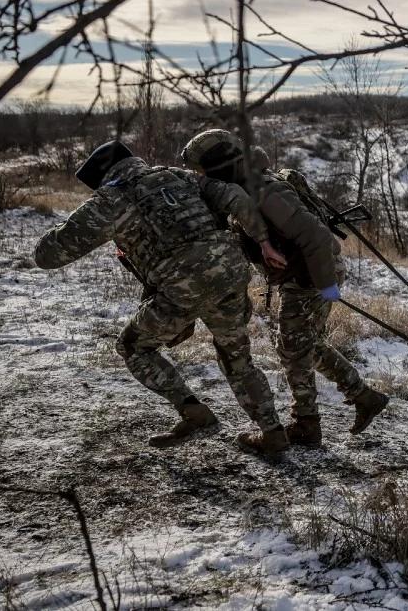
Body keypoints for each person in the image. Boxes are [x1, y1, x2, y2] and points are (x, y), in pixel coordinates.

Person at [33, 141, 291, 455]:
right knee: (237, 357)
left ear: (100, 179)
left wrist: (74, 219)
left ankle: (194, 414)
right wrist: (262, 240)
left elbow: (47, 255)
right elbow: (232, 196)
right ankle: (273, 431)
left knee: (133, 346)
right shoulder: (179, 176)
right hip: (230, 272)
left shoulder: (109, 201)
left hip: (182, 285)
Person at [180, 130, 389, 447]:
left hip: (309, 276)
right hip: (306, 274)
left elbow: (317, 238)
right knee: (306, 345)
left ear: (218, 164)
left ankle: (307, 425)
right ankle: (363, 397)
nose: (202, 177)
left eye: (202, 170)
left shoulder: (265, 191)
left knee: (292, 348)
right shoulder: (249, 187)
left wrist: (324, 286)